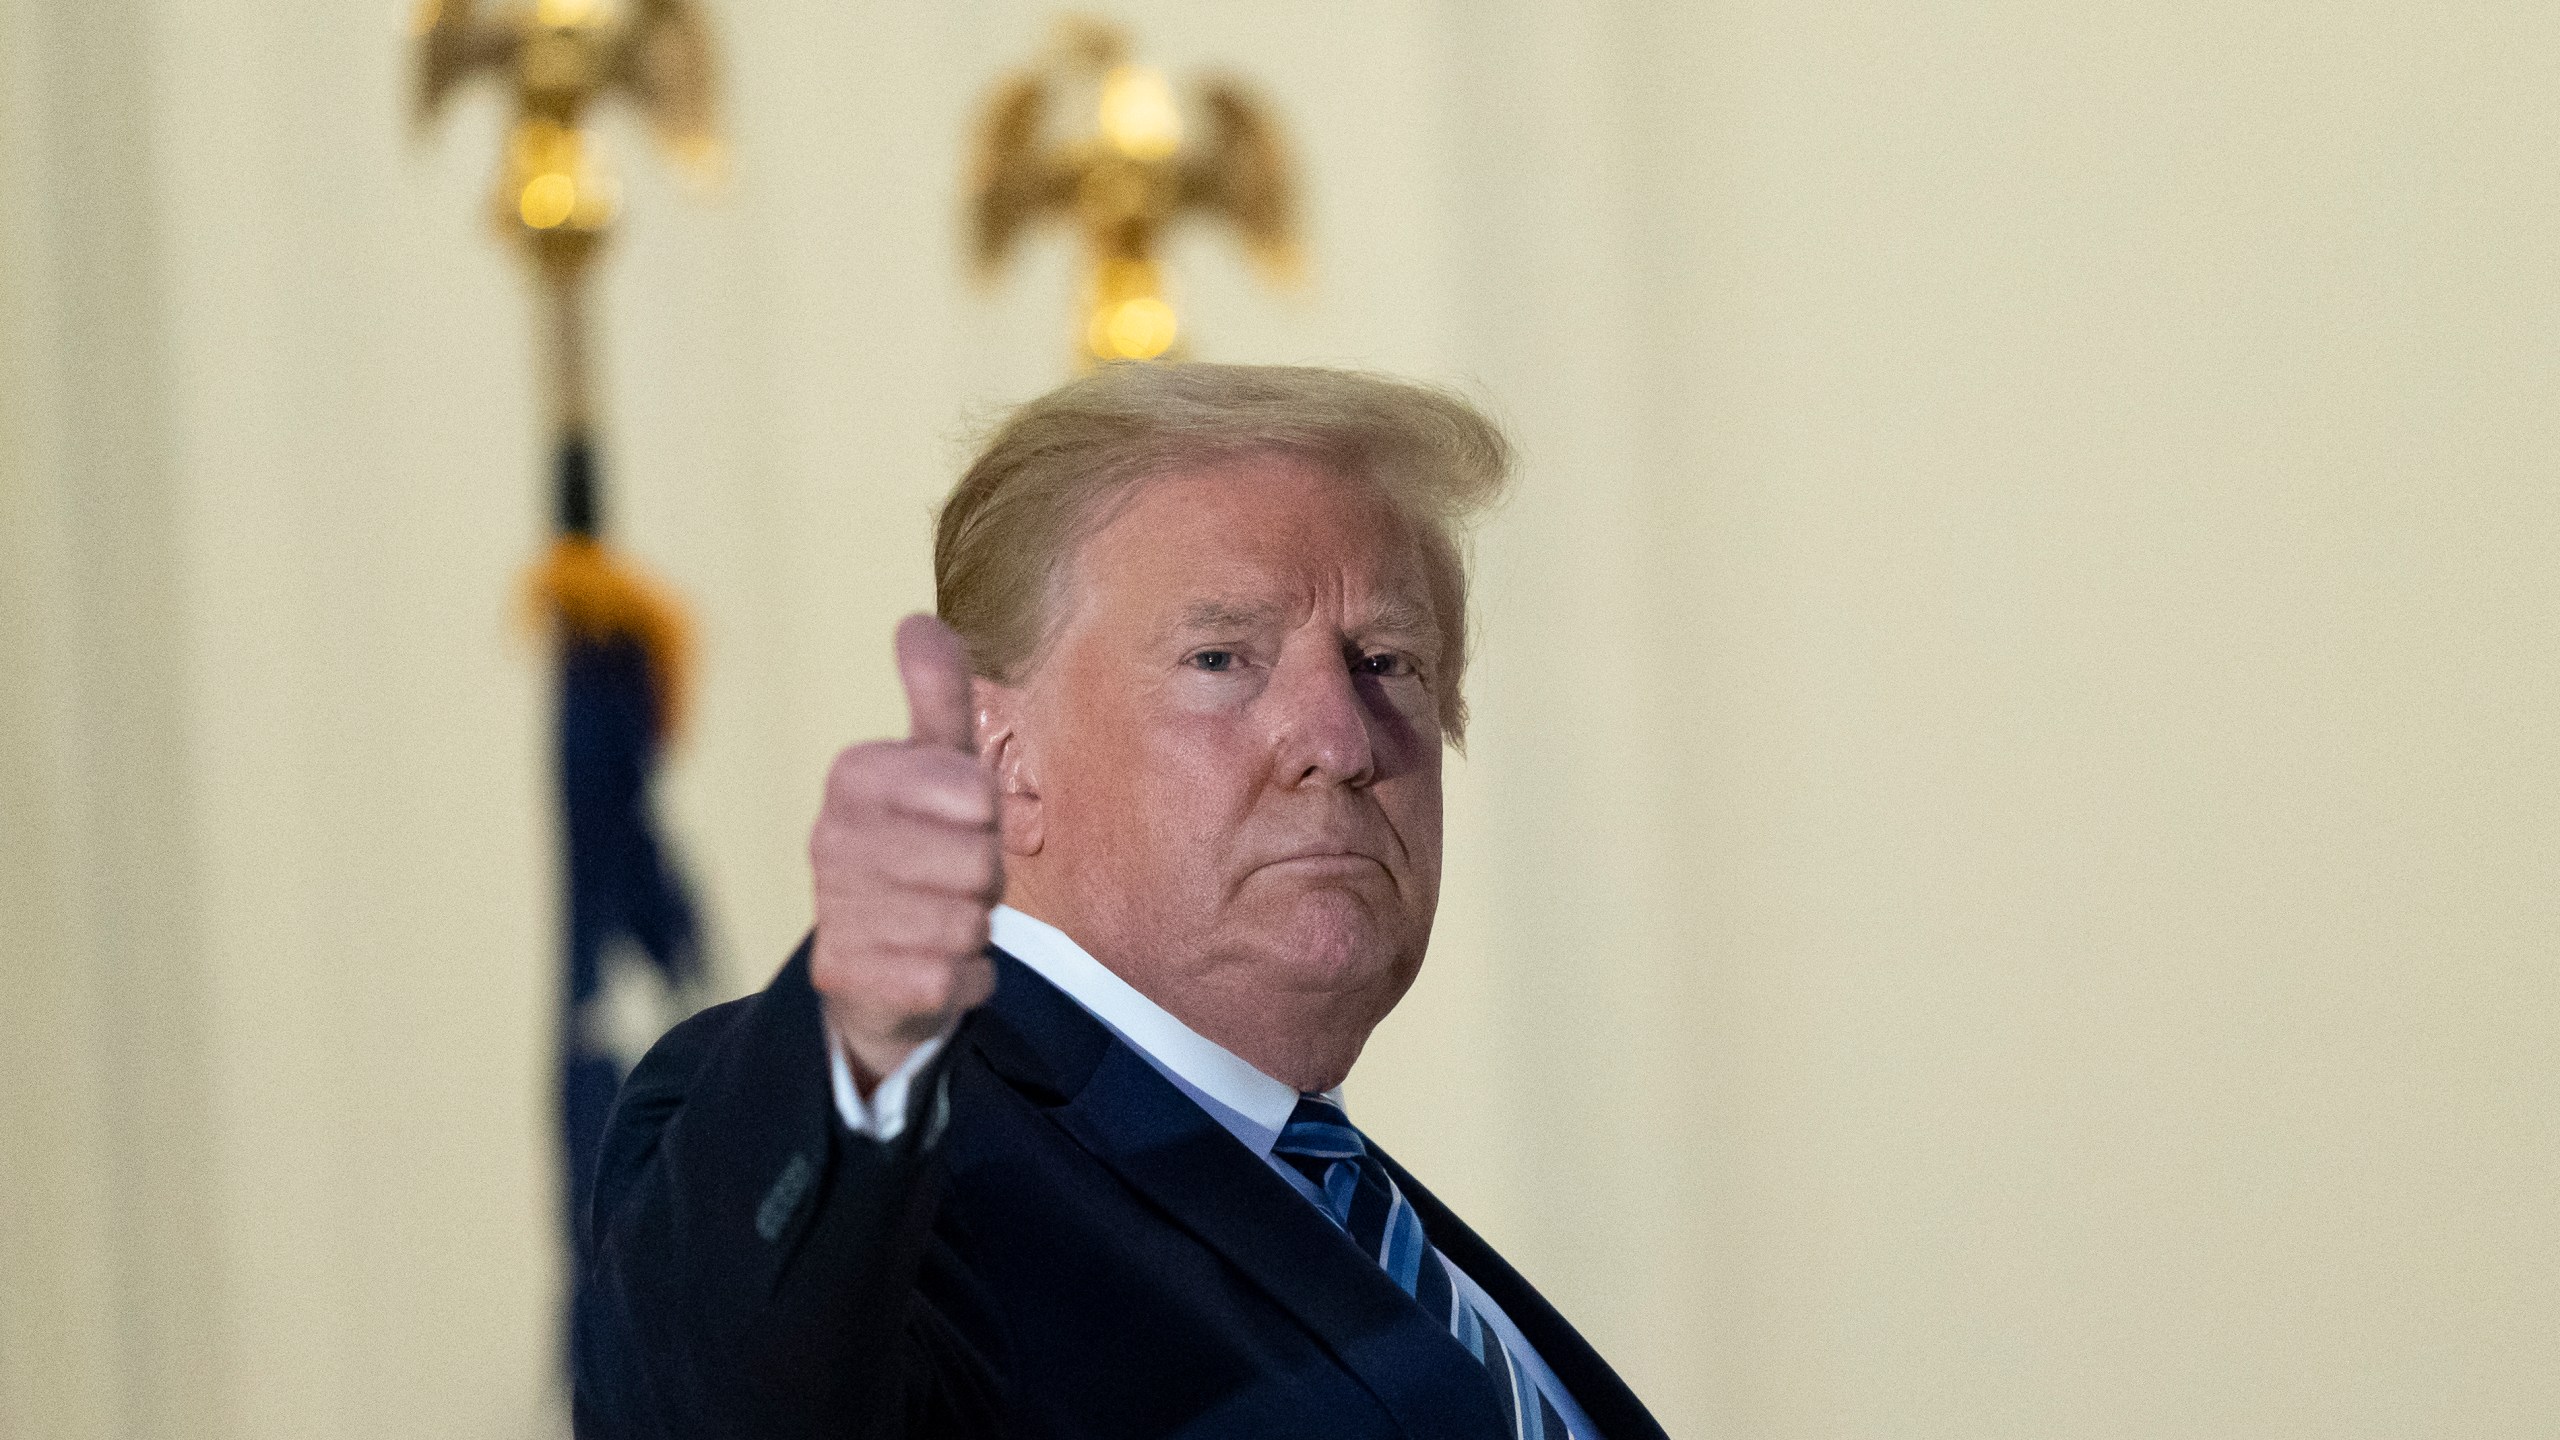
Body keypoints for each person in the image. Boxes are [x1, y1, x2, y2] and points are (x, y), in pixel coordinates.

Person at [573, 363, 1668, 1439]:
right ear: (1001, 755)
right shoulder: (906, 1158)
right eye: (1220, 658)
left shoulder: (1366, 1225)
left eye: (1386, 662)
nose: (1338, 742)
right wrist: (852, 1057)